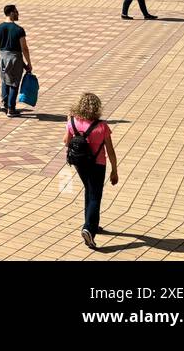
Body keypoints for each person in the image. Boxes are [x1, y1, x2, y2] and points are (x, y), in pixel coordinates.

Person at [64, 92, 119, 250]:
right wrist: (114, 170)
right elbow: (110, 150)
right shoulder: (102, 126)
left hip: (79, 163)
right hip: (97, 164)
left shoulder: (73, 121)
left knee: (89, 190)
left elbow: (66, 142)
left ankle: (92, 223)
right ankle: (88, 228)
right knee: (95, 195)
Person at [0, 4, 31, 117]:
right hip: (15, 58)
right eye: (16, 11)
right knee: (14, 82)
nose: (18, 14)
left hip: (2, 57)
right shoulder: (19, 30)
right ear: (12, 13)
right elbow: (24, 48)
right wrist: (28, 63)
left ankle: (4, 103)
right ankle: (11, 109)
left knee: (5, 79)